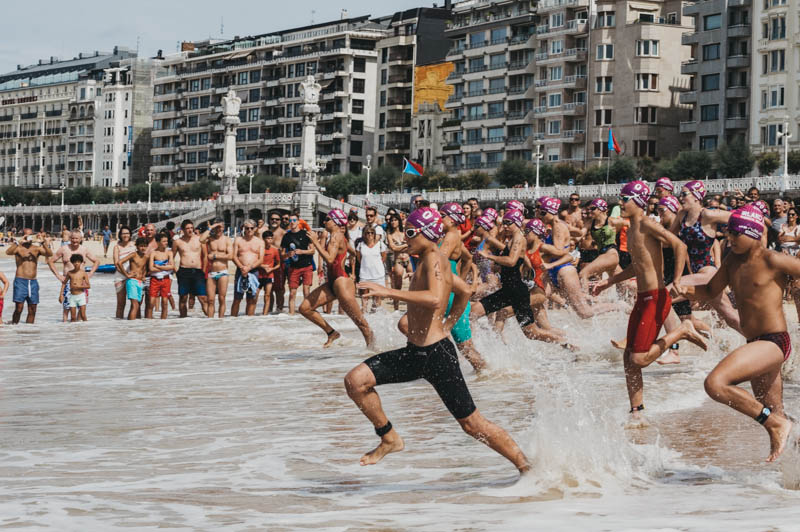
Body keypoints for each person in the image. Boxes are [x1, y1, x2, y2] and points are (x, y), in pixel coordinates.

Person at [344, 207, 530, 473]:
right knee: (355, 381)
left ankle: (527, 467)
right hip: (415, 354)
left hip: (437, 356)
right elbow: (465, 290)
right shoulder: (431, 259)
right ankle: (389, 437)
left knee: (472, 425)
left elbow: (433, 298)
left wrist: (386, 291)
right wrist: (450, 322)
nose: (404, 239)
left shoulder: (433, 259)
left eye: (410, 233)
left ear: (425, 233)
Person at [675, 205, 795, 462]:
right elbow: (710, 291)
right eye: (727, 234)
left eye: (734, 234)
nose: (728, 239)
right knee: (776, 412)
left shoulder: (772, 259)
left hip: (773, 342)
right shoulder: (731, 262)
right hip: (755, 342)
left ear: (752, 233)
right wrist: (686, 292)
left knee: (716, 384)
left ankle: (773, 424)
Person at [593, 181, 707, 421]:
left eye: (625, 199)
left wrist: (676, 278)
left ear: (638, 201)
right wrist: (609, 282)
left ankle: (682, 330)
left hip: (656, 298)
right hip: (643, 298)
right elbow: (638, 265)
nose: (620, 203)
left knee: (640, 358)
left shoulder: (646, 224)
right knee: (628, 358)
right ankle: (637, 411)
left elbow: (680, 245)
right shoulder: (632, 228)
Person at [669, 180, 741, 333]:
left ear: (696, 196)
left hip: (708, 273)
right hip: (697, 274)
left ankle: (671, 349)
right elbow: (667, 238)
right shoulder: (682, 215)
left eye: (684, 194)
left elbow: (738, 217)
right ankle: (759, 340)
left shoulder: (707, 215)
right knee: (732, 318)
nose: (680, 197)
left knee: (663, 297)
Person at [300, 208, 375, 347]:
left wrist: (315, 242)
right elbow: (353, 252)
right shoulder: (338, 236)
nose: (324, 221)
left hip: (341, 282)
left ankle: (374, 349)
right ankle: (331, 333)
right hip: (333, 282)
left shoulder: (336, 236)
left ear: (335, 222)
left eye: (327, 219)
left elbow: (329, 259)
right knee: (305, 308)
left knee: (360, 321)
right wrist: (353, 267)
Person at [48, 230, 99, 322]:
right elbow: (51, 261)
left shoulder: (84, 249)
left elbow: (96, 261)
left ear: (80, 239)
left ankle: (77, 329)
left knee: (82, 307)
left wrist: (90, 274)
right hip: (68, 282)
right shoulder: (64, 249)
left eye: (77, 238)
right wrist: (58, 275)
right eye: (72, 238)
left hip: (82, 282)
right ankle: (65, 328)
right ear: (69, 238)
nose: (74, 240)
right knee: (67, 307)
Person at [6, 231, 53, 324]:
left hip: (33, 282)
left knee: (33, 309)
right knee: (19, 308)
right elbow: (8, 252)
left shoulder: (37, 249)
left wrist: (43, 242)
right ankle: (14, 326)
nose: (28, 238)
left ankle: (29, 332)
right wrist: (19, 241)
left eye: (31, 235)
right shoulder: (18, 248)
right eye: (26, 235)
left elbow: (49, 254)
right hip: (20, 280)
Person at [173, 219, 208, 317]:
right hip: (184, 271)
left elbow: (205, 256)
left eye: (191, 228)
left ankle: (211, 321)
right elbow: (171, 257)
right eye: (187, 228)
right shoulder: (177, 242)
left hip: (198, 271)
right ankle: (183, 320)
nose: (190, 230)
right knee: (183, 298)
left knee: (203, 298)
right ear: (182, 229)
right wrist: (176, 270)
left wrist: (203, 270)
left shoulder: (200, 239)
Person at [281, 214, 314, 315]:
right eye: (290, 220)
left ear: (298, 221)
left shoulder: (305, 234)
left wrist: (302, 252)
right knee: (292, 293)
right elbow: (282, 255)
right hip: (293, 267)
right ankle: (291, 316)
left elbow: (313, 251)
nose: (292, 222)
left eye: (294, 220)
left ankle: (308, 313)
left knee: (306, 291)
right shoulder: (286, 236)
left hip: (306, 266)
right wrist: (288, 254)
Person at [231, 219, 265, 317]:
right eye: (247, 228)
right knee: (237, 298)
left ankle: (248, 321)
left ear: (255, 229)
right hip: (240, 270)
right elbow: (234, 256)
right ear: (244, 229)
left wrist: (249, 268)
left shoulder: (259, 242)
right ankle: (232, 321)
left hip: (253, 271)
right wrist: (242, 267)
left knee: (251, 299)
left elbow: (261, 259)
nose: (249, 230)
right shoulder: (238, 240)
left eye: (251, 228)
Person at [205, 221, 232, 318]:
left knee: (222, 298)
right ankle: (210, 321)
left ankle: (221, 321)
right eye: (216, 227)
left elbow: (230, 256)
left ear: (224, 228)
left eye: (220, 227)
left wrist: (215, 256)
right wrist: (210, 227)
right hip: (211, 272)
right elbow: (201, 239)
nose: (218, 229)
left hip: (223, 272)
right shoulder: (210, 239)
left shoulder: (227, 240)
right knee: (210, 300)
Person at [118, 237, 150, 320]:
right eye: (141, 246)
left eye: (145, 246)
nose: (143, 248)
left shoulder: (146, 257)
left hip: (140, 282)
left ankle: (133, 327)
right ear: (137, 246)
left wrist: (144, 275)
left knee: (137, 305)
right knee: (135, 305)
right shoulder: (133, 254)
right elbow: (119, 262)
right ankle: (130, 325)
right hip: (132, 281)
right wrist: (126, 274)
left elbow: (145, 268)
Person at [356, 227, 387, 313]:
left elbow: (384, 257)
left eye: (372, 233)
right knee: (364, 295)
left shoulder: (380, 244)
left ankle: (375, 313)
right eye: (367, 233)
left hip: (378, 274)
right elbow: (359, 258)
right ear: (364, 234)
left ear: (374, 234)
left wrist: (376, 264)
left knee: (377, 295)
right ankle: (364, 313)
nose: (370, 234)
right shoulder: (360, 245)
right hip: (365, 273)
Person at [148, 233, 174, 320]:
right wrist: (165, 268)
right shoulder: (154, 253)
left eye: (167, 241)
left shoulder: (169, 252)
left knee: (165, 301)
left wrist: (158, 266)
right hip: (154, 279)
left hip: (166, 279)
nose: (166, 243)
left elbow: (172, 266)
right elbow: (151, 268)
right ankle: (149, 321)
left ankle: (163, 321)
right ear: (158, 242)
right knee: (151, 302)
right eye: (164, 241)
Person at [113, 226, 136, 319]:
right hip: (120, 277)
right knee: (121, 303)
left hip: (133, 276)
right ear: (120, 235)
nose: (125, 235)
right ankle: (119, 325)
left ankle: (131, 325)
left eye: (127, 233)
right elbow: (116, 264)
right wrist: (126, 275)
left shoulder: (134, 245)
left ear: (130, 234)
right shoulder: (117, 247)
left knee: (134, 303)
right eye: (123, 233)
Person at [59, 254, 90, 322]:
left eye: (78, 262)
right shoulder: (70, 273)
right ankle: (73, 331)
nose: (76, 263)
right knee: (73, 317)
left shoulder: (83, 273)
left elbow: (88, 286)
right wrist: (61, 294)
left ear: (81, 263)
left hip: (81, 296)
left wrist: (78, 287)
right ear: (72, 263)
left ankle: (86, 330)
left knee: (83, 315)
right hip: (72, 296)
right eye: (75, 262)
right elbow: (64, 283)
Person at [267, 211, 287, 313]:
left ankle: (279, 310)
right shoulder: (265, 232)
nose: (274, 221)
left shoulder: (283, 233)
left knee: (279, 289)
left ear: (280, 221)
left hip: (279, 264)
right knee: (268, 289)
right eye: (272, 219)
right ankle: (269, 310)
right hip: (267, 263)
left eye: (277, 219)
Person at [259, 231, 281, 315]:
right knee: (255, 295)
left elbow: (278, 264)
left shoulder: (275, 250)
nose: (270, 240)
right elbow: (255, 261)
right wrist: (262, 266)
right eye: (268, 238)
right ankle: (251, 316)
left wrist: (271, 269)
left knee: (267, 295)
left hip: (269, 275)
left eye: (271, 238)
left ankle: (264, 314)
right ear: (264, 239)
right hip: (259, 275)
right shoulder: (260, 249)